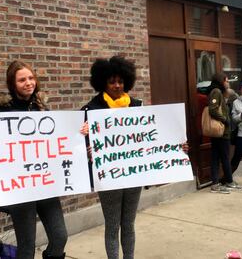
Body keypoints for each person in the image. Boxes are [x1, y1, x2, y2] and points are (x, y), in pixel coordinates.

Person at [80, 56, 188, 259]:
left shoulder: (137, 106)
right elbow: (79, 142)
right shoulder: (91, 110)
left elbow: (151, 137)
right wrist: (86, 148)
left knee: (128, 223)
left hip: (133, 175)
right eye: (112, 81)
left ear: (126, 82)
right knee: (112, 225)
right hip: (109, 176)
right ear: (103, 82)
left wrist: (176, 147)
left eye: (120, 81)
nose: (117, 85)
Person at [0, 60, 67, 259]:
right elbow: (1, 148)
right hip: (20, 188)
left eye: (31, 78)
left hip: (44, 182)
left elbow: (56, 140)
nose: (28, 83)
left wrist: (78, 133)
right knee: (27, 245)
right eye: (22, 80)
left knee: (59, 236)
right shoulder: (3, 113)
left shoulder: (41, 108)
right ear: (12, 84)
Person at [206, 73, 234, 193]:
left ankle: (217, 183)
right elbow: (212, 109)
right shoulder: (216, 91)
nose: (227, 83)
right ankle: (228, 181)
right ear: (221, 81)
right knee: (224, 157)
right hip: (221, 131)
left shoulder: (220, 92)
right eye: (226, 81)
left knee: (217, 157)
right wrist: (225, 119)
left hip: (221, 131)